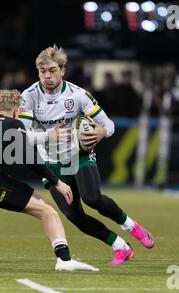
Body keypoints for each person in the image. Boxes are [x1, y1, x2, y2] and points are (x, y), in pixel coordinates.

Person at [16, 46, 154, 265]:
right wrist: (50, 136)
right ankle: (120, 247)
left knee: (93, 198)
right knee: (74, 216)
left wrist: (101, 132)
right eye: (42, 71)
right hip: (50, 164)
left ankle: (131, 226)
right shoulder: (29, 96)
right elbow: (21, 135)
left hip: (79, 155)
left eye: (52, 70)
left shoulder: (78, 95)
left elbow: (108, 125)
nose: (47, 76)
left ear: (63, 70)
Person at [0, 89, 98, 272]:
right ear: (16, 111)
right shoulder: (13, 123)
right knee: (47, 211)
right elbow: (29, 158)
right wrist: (57, 182)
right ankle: (64, 259)